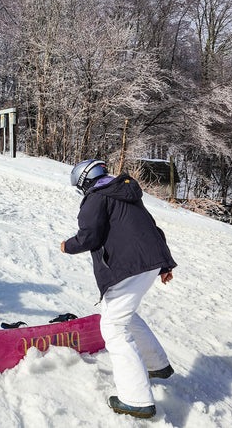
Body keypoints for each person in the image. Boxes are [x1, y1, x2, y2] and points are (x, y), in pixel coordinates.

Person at [61, 159, 177, 419]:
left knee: (113, 328)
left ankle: (136, 399)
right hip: (146, 264)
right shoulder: (127, 193)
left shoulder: (96, 197)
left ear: (84, 183)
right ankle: (156, 364)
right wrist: (164, 264)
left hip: (129, 267)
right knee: (122, 314)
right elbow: (152, 229)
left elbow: (89, 235)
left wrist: (67, 246)